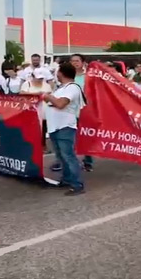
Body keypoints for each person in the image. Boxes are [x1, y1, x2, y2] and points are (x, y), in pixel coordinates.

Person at [43, 62, 86, 196]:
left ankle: (77, 184)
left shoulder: (72, 88)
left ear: (61, 73)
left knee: (68, 156)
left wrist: (48, 96)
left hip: (65, 126)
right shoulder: (61, 88)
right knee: (61, 156)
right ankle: (67, 179)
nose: (56, 74)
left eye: (57, 71)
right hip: (55, 126)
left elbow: (61, 104)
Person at [69, 53, 93, 172]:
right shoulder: (66, 76)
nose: (74, 63)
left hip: (84, 110)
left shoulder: (88, 76)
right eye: (72, 61)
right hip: (69, 110)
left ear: (82, 62)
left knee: (85, 135)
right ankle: (70, 162)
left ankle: (88, 161)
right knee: (70, 136)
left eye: (77, 61)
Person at [21, 67, 53, 150]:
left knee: (43, 128)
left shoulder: (46, 85)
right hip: (31, 110)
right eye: (38, 78)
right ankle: (30, 145)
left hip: (44, 111)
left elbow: (49, 95)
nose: (39, 80)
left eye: (41, 78)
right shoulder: (27, 84)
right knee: (30, 129)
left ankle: (42, 145)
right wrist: (36, 94)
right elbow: (21, 93)